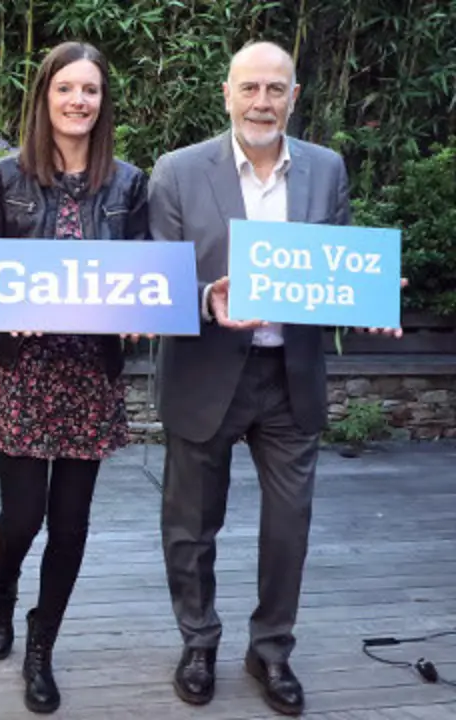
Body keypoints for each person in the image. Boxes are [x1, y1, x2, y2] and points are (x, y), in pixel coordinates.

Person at [151, 41, 403, 716]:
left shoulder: (326, 169)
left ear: (295, 97)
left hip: (290, 374)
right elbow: (155, 281)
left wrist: (368, 304)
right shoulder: (176, 172)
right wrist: (208, 297)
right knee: (190, 525)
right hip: (205, 370)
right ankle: (198, 639)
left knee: (289, 525)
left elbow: (338, 269)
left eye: (275, 89)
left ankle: (270, 650)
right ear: (226, 94)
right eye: (249, 88)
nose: (261, 101)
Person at [0, 41, 147, 715]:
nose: (79, 101)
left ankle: (42, 645)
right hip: (26, 372)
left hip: (89, 374)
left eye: (91, 91)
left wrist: (139, 314)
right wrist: (2, 313)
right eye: (67, 89)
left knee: (71, 523)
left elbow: (143, 274)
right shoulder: (7, 178)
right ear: (45, 98)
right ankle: (1, 586)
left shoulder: (129, 183)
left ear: (102, 104)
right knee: (23, 517)